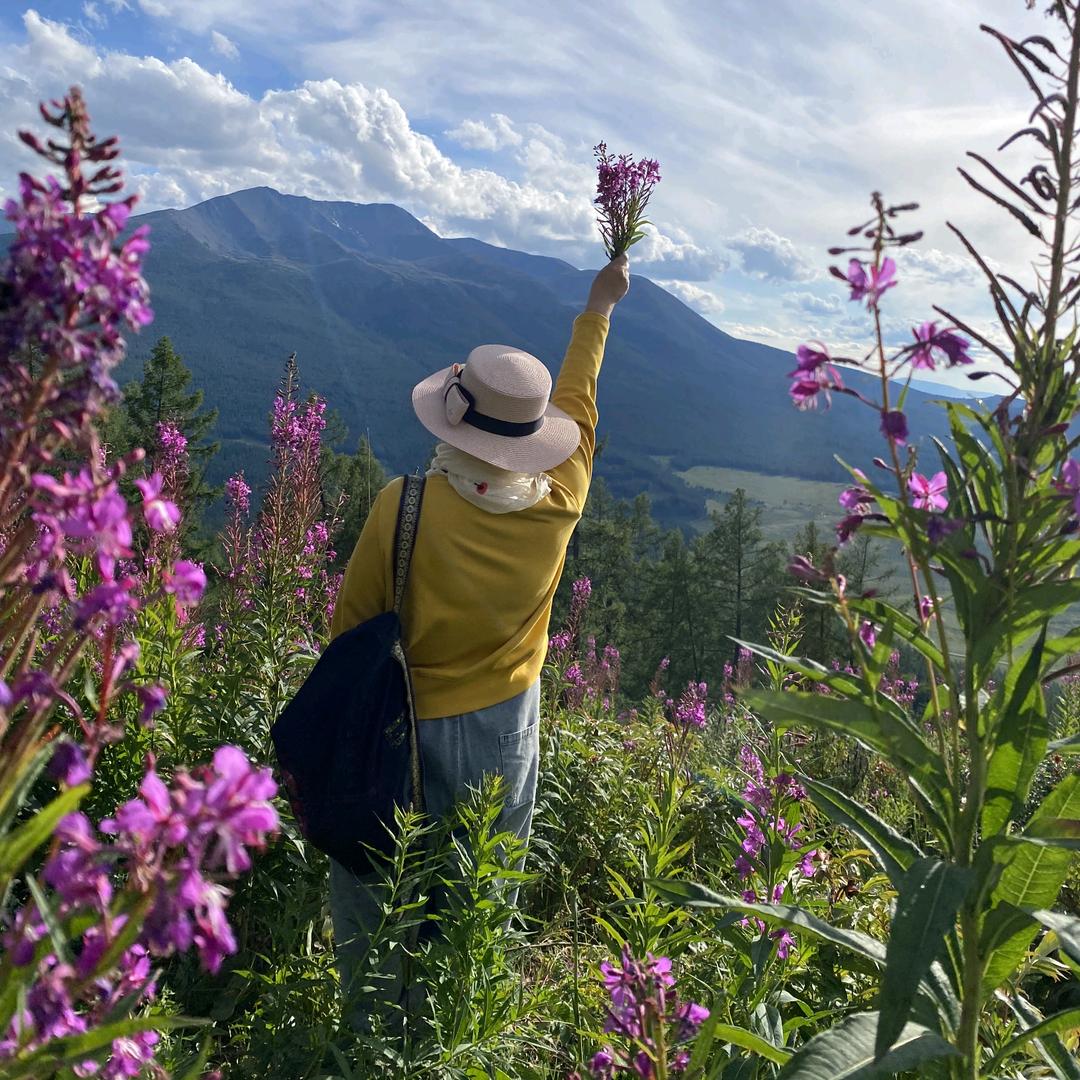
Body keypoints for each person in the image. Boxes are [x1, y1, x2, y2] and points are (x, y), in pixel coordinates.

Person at [327, 251, 631, 1020]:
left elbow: (349, 630)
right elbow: (581, 402)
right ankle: (451, 1028)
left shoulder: (404, 505)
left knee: (377, 887)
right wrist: (600, 306)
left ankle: (369, 1036)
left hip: (400, 721)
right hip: (505, 732)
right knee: (478, 895)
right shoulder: (560, 500)